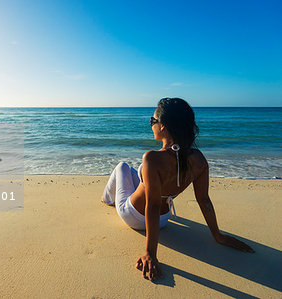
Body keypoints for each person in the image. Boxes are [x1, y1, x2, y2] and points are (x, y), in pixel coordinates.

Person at [101, 97, 255, 282]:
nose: (151, 124)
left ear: (163, 126)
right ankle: (113, 197)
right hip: (164, 220)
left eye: (153, 120)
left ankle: (107, 200)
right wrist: (217, 235)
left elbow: (152, 206)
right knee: (136, 174)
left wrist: (150, 253)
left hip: (133, 215)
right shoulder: (198, 159)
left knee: (122, 167)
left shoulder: (151, 158)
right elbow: (204, 199)